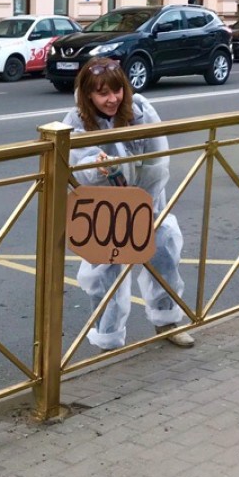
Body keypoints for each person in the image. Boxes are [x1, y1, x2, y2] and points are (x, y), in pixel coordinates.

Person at [62, 57, 193, 350]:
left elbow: (157, 161)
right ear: (88, 95)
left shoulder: (141, 112)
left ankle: (166, 321)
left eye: (116, 90)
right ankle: (107, 338)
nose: (111, 99)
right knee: (104, 273)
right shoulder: (75, 121)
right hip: (104, 210)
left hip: (146, 203)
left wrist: (140, 201)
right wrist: (96, 167)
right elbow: (76, 163)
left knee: (164, 255)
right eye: (102, 93)